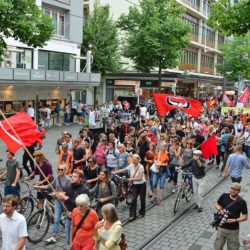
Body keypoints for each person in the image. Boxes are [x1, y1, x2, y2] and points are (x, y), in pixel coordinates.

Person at [34, 163, 71, 244]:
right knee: (56, 218)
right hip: (58, 200)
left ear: (65, 170)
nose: (60, 171)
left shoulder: (68, 179)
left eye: (62, 169)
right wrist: (38, 186)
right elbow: (49, 186)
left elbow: (69, 193)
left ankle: (70, 237)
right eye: (58, 169)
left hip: (66, 202)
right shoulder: (57, 178)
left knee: (69, 219)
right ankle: (54, 236)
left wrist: (58, 193)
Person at [54, 169, 89, 244]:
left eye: (75, 177)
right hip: (69, 218)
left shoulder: (84, 190)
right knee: (69, 241)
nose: (72, 178)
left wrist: (66, 198)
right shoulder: (69, 185)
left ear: (80, 179)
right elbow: (66, 201)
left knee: (77, 241)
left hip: (80, 220)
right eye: (72, 176)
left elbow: (81, 205)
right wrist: (60, 195)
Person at [214, 182, 248, 250]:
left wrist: (235, 220)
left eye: (235, 189)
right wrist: (220, 210)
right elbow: (216, 204)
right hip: (221, 228)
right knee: (218, 247)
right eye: (232, 188)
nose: (233, 190)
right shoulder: (224, 196)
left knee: (233, 248)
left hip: (233, 230)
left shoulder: (242, 202)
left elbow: (245, 216)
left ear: (239, 191)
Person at [113, 154, 146, 221]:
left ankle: (142, 213)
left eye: (136, 160)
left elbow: (139, 178)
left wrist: (130, 179)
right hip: (134, 185)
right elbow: (124, 169)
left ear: (138, 160)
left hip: (142, 185)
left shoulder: (141, 167)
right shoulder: (131, 166)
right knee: (133, 200)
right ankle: (132, 215)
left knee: (142, 199)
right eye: (133, 160)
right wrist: (116, 172)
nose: (134, 161)